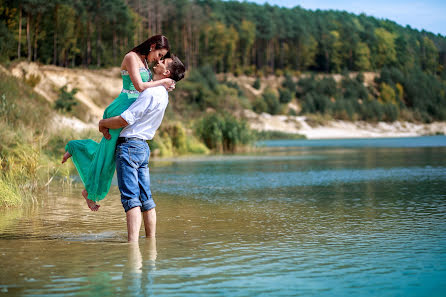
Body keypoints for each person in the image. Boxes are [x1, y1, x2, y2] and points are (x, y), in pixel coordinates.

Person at [62, 35, 176, 211]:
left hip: (131, 110)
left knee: (109, 154)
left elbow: (147, 89)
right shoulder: (131, 57)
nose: (159, 59)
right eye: (160, 54)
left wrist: (165, 84)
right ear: (152, 46)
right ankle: (89, 191)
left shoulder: (145, 62)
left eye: (162, 58)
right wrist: (163, 82)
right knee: (108, 156)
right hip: (121, 109)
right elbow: (138, 86)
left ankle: (77, 150)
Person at [98, 55, 185, 242]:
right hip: (143, 147)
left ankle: (132, 246)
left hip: (129, 145)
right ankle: (150, 243)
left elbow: (125, 119)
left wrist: (103, 122)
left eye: (163, 61)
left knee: (131, 199)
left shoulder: (151, 93)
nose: (159, 61)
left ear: (166, 72)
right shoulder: (163, 95)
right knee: (146, 198)